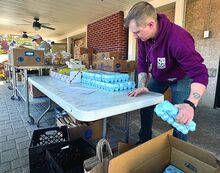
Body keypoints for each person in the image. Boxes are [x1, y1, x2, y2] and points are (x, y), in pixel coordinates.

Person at [124, 1, 208, 143]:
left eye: (137, 32)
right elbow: (142, 62)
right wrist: (143, 85)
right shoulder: (143, 39)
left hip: (181, 77)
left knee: (180, 116)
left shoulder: (178, 39)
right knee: (145, 104)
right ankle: (144, 140)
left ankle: (178, 148)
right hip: (159, 76)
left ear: (151, 24)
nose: (135, 37)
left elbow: (200, 73)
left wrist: (191, 104)